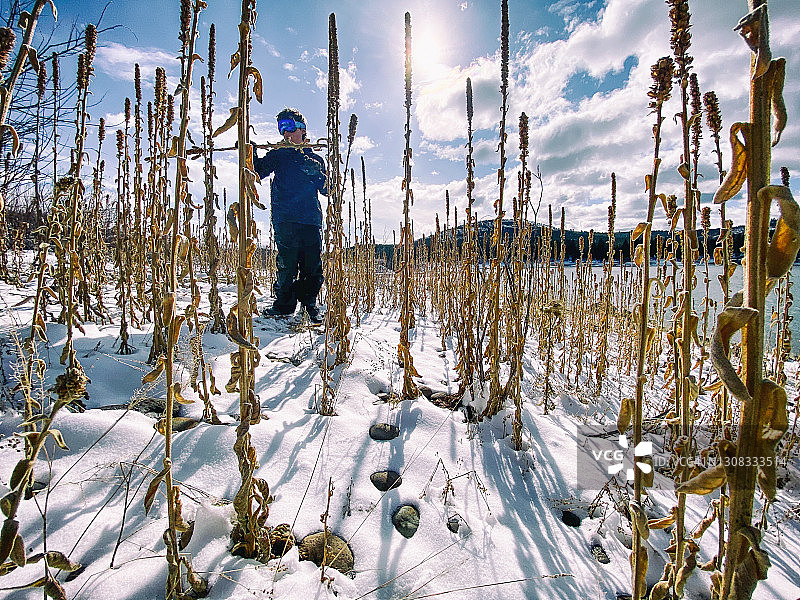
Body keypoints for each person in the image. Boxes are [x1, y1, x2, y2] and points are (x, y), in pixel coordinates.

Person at [252, 108, 326, 323]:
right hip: (285, 217)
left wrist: (318, 174)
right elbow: (258, 172)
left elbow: (328, 190)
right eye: (281, 128)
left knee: (312, 265)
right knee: (287, 263)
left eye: (289, 127)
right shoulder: (279, 154)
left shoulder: (315, 159)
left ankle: (309, 305)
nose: (285, 133)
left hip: (310, 219)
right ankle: (284, 305)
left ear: (302, 130)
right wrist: (250, 153)